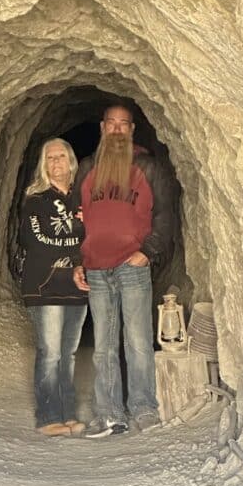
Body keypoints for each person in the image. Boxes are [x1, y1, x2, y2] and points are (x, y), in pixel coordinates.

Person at [71, 102, 174, 438]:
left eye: (123, 124)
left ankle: (144, 407)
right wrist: (77, 260)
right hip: (97, 269)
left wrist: (148, 252)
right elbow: (75, 218)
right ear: (102, 128)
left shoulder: (147, 167)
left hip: (132, 265)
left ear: (131, 130)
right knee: (103, 345)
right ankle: (109, 413)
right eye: (111, 123)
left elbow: (165, 214)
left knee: (139, 341)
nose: (117, 130)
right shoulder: (87, 169)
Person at [19, 138, 88, 437]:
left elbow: (98, 236)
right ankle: (48, 417)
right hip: (44, 284)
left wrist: (88, 228)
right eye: (50, 158)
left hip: (76, 285)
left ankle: (68, 413)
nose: (56, 162)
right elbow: (38, 241)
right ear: (44, 165)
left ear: (71, 161)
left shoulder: (85, 197)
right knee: (51, 352)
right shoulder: (36, 199)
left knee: (68, 353)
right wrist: (78, 233)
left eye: (61, 156)